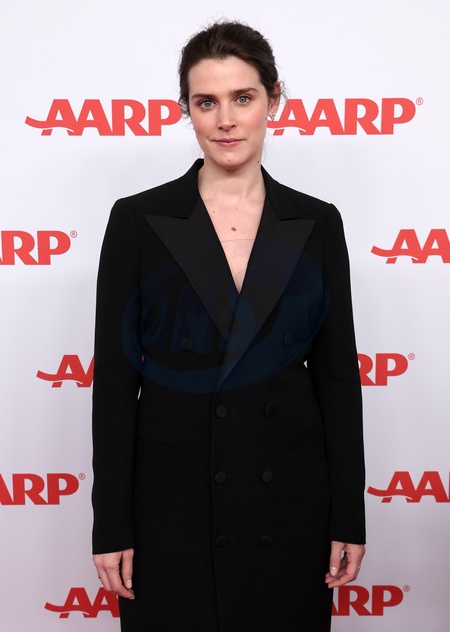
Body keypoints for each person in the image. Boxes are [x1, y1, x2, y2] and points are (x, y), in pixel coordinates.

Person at [92, 20, 366, 632]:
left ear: (274, 100)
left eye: (243, 98)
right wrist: (111, 525)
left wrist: (349, 516)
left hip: (289, 505)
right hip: (171, 509)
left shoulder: (318, 222)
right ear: (186, 109)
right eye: (206, 102)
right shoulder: (138, 219)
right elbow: (113, 387)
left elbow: (337, 381)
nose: (225, 120)